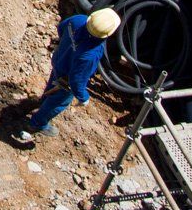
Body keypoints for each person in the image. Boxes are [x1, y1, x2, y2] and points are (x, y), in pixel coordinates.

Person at [11, 8, 120, 146]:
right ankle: (37, 123)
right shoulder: (92, 53)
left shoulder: (78, 20)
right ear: (106, 35)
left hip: (59, 61)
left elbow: (61, 28)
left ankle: (43, 100)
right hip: (66, 81)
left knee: (52, 84)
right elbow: (77, 80)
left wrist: (66, 45)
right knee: (58, 102)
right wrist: (83, 97)